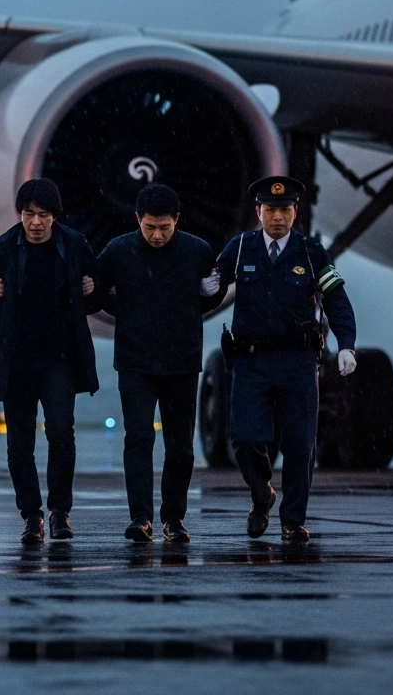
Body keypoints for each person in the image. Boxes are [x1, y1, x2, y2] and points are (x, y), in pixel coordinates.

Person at [214, 175, 357, 543]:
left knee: (299, 443)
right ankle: (262, 492)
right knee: (245, 438)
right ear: (259, 212)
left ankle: (292, 520)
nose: (278, 217)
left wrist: (347, 344)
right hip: (251, 361)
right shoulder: (241, 248)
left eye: (285, 210)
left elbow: (336, 301)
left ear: (295, 212)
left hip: (297, 362)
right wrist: (200, 292)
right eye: (270, 210)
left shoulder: (311, 254)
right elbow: (211, 287)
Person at [0, 178, 101, 544]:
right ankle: (31, 515)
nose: (35, 222)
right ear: (20, 214)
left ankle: (60, 510)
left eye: (43, 215)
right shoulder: (0, 249)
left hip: (59, 359)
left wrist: (91, 291)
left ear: (54, 216)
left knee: (61, 431)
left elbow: (93, 297)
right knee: (19, 443)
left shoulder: (74, 245)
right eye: (29, 214)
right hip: (16, 360)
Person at [94, 183, 222, 543]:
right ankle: (141, 518)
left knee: (180, 445)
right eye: (149, 227)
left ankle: (174, 519)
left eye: (164, 227)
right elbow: (95, 292)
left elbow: (209, 296)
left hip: (181, 361)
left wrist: (202, 302)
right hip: (135, 361)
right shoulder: (118, 251)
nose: (157, 234)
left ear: (176, 220)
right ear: (138, 219)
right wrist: (126, 314)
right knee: (138, 437)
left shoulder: (197, 251)